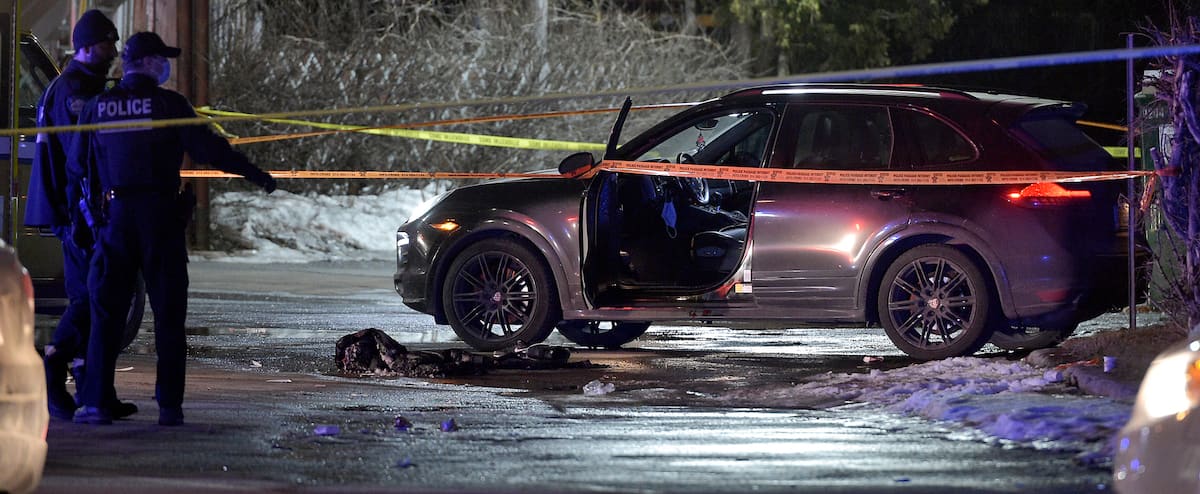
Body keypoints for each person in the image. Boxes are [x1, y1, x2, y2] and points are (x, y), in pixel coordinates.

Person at [70, 31, 278, 426]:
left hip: (115, 219)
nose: (166, 66)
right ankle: (169, 406)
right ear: (149, 62)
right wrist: (257, 175)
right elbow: (211, 150)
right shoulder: (169, 105)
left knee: (106, 313)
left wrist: (85, 219)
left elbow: (78, 167)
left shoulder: (99, 106)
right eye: (162, 59)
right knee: (168, 314)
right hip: (160, 219)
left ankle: (96, 402)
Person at [24, 9, 137, 421]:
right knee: (94, 297)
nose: (114, 51)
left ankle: (93, 390)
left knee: (91, 297)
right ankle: (56, 366)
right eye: (108, 43)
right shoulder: (74, 92)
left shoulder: (81, 86)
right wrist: (85, 214)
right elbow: (83, 160)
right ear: (89, 46)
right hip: (78, 211)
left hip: (80, 209)